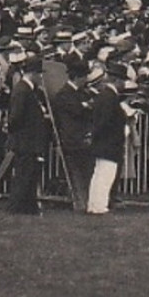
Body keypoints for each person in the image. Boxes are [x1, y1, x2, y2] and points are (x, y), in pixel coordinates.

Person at [5, 53, 48, 215]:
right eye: (40, 74)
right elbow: (15, 117)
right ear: (34, 74)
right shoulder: (22, 90)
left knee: (30, 173)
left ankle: (27, 207)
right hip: (25, 140)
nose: (41, 77)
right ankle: (15, 207)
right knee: (24, 174)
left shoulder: (29, 89)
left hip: (29, 140)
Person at [52, 57, 96, 212]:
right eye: (85, 77)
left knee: (86, 171)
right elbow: (78, 111)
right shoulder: (64, 94)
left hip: (83, 138)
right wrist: (86, 106)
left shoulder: (80, 93)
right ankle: (81, 202)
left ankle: (87, 201)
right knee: (77, 173)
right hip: (72, 139)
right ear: (78, 77)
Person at [85, 62, 126, 214]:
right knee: (105, 176)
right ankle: (99, 206)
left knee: (99, 175)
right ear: (117, 81)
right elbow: (105, 121)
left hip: (103, 142)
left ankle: (94, 204)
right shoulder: (110, 97)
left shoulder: (104, 95)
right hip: (109, 143)